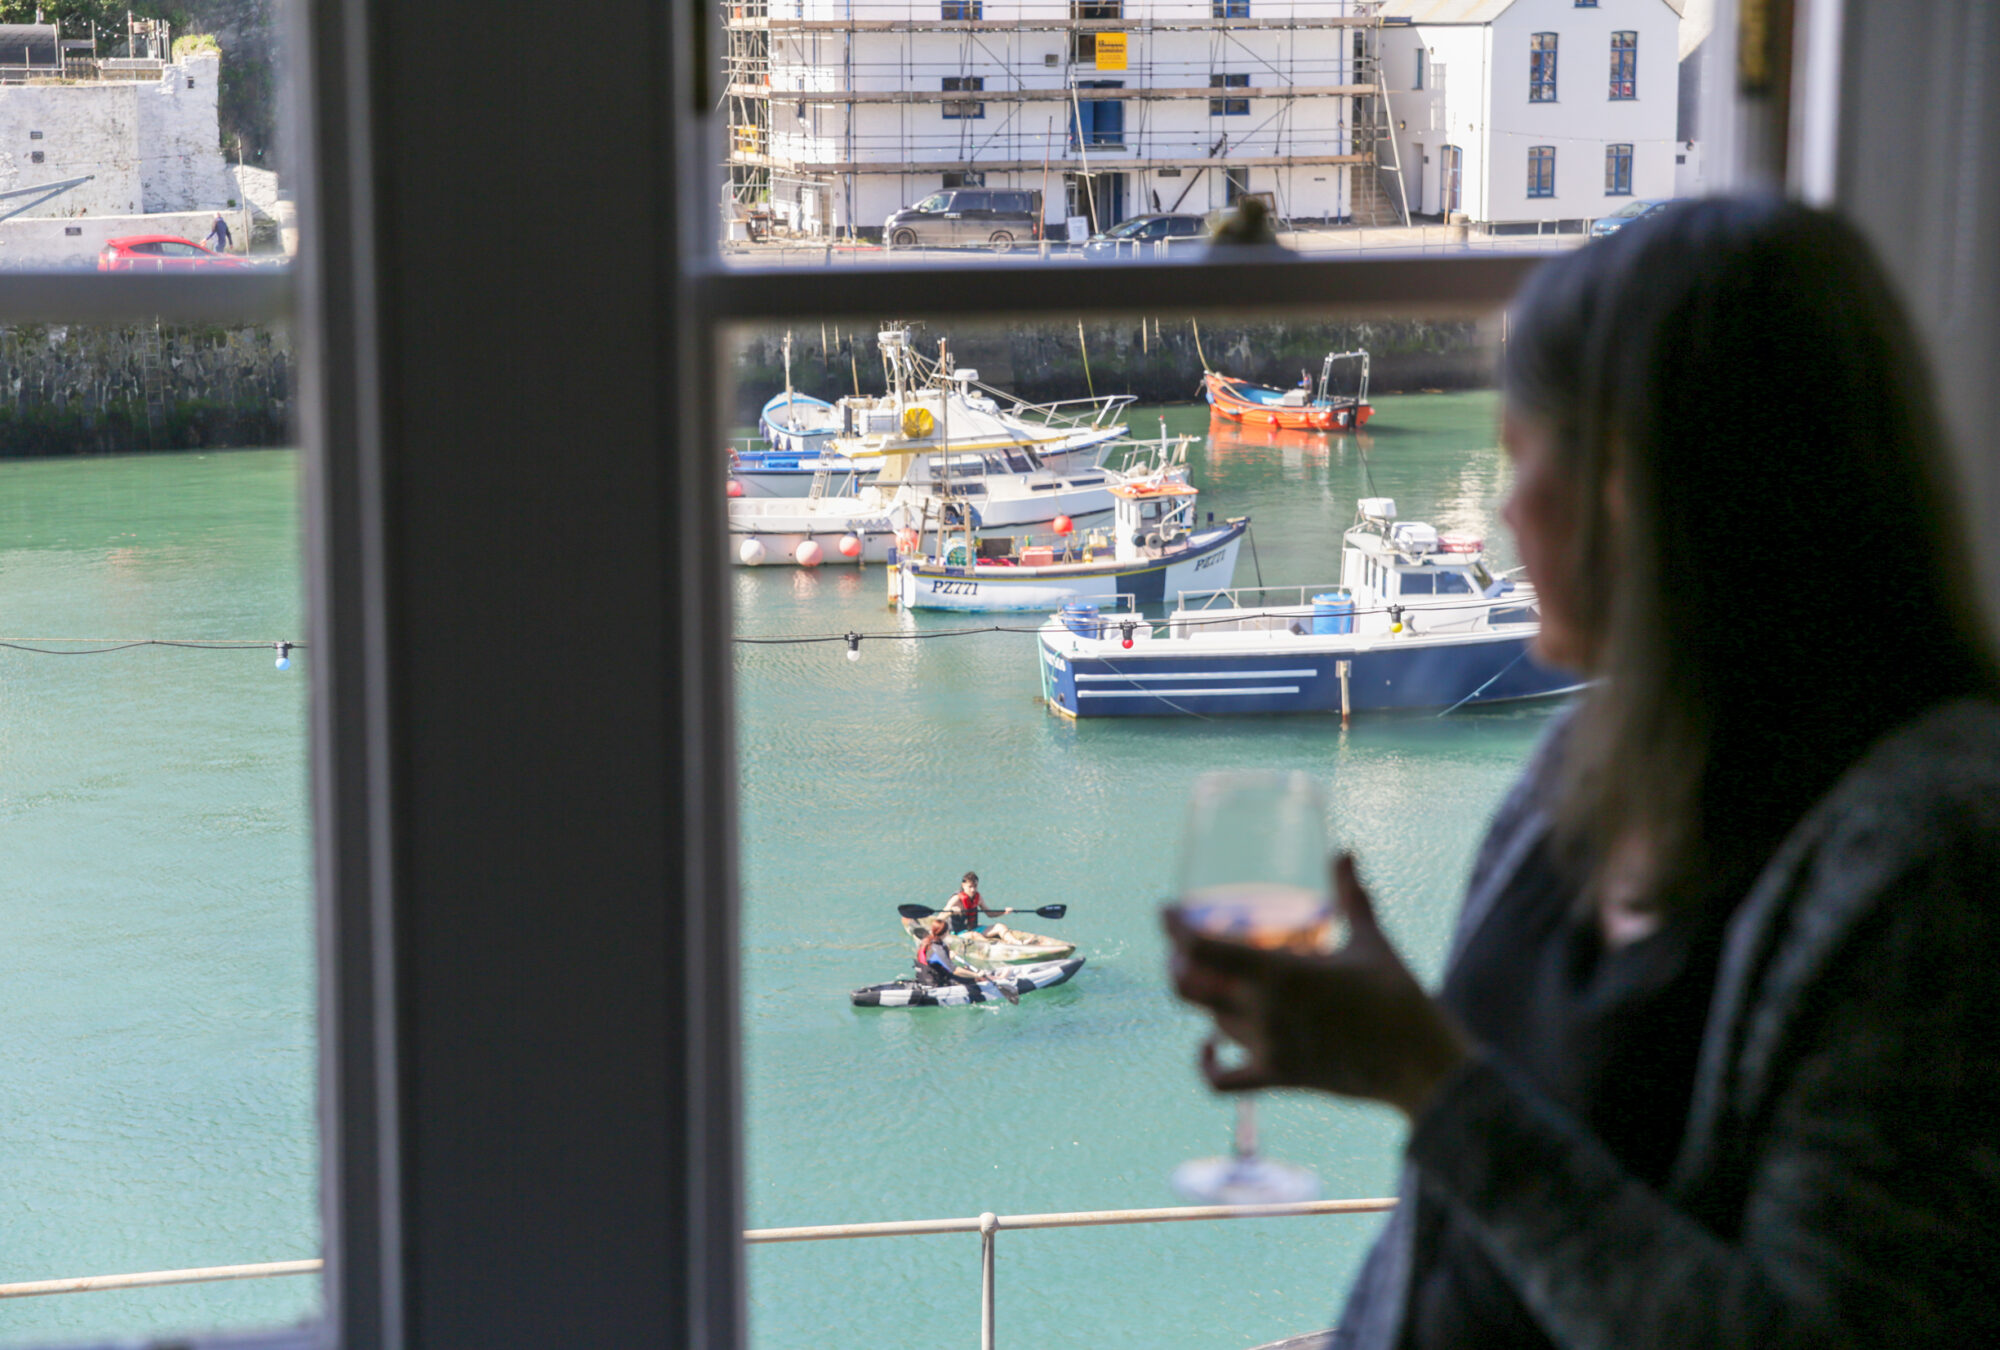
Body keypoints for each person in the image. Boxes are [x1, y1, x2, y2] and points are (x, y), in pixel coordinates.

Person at [1168, 195, 2000, 1348]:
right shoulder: (1592, 757)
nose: (1501, 511)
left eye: (1522, 457)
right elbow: (1447, 1249)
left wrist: (1428, 1077)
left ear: (1651, 487)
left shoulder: (1938, 868)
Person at [914, 917, 1015, 1005]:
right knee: (972, 975)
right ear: (945, 932)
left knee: (967, 970)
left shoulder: (929, 942)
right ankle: (999, 979)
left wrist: (949, 956)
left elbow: (935, 960)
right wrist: (976, 975)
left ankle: (992, 977)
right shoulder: (938, 949)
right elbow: (954, 970)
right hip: (939, 981)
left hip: (927, 977)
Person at [944, 871, 1022, 942]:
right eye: (970, 887)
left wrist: (1004, 911)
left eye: (975, 886)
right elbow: (941, 916)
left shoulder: (978, 898)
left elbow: (989, 914)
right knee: (974, 935)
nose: (973, 890)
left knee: (1000, 926)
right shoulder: (956, 899)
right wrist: (950, 911)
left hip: (974, 929)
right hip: (957, 934)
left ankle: (1018, 943)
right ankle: (992, 946)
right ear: (963, 885)